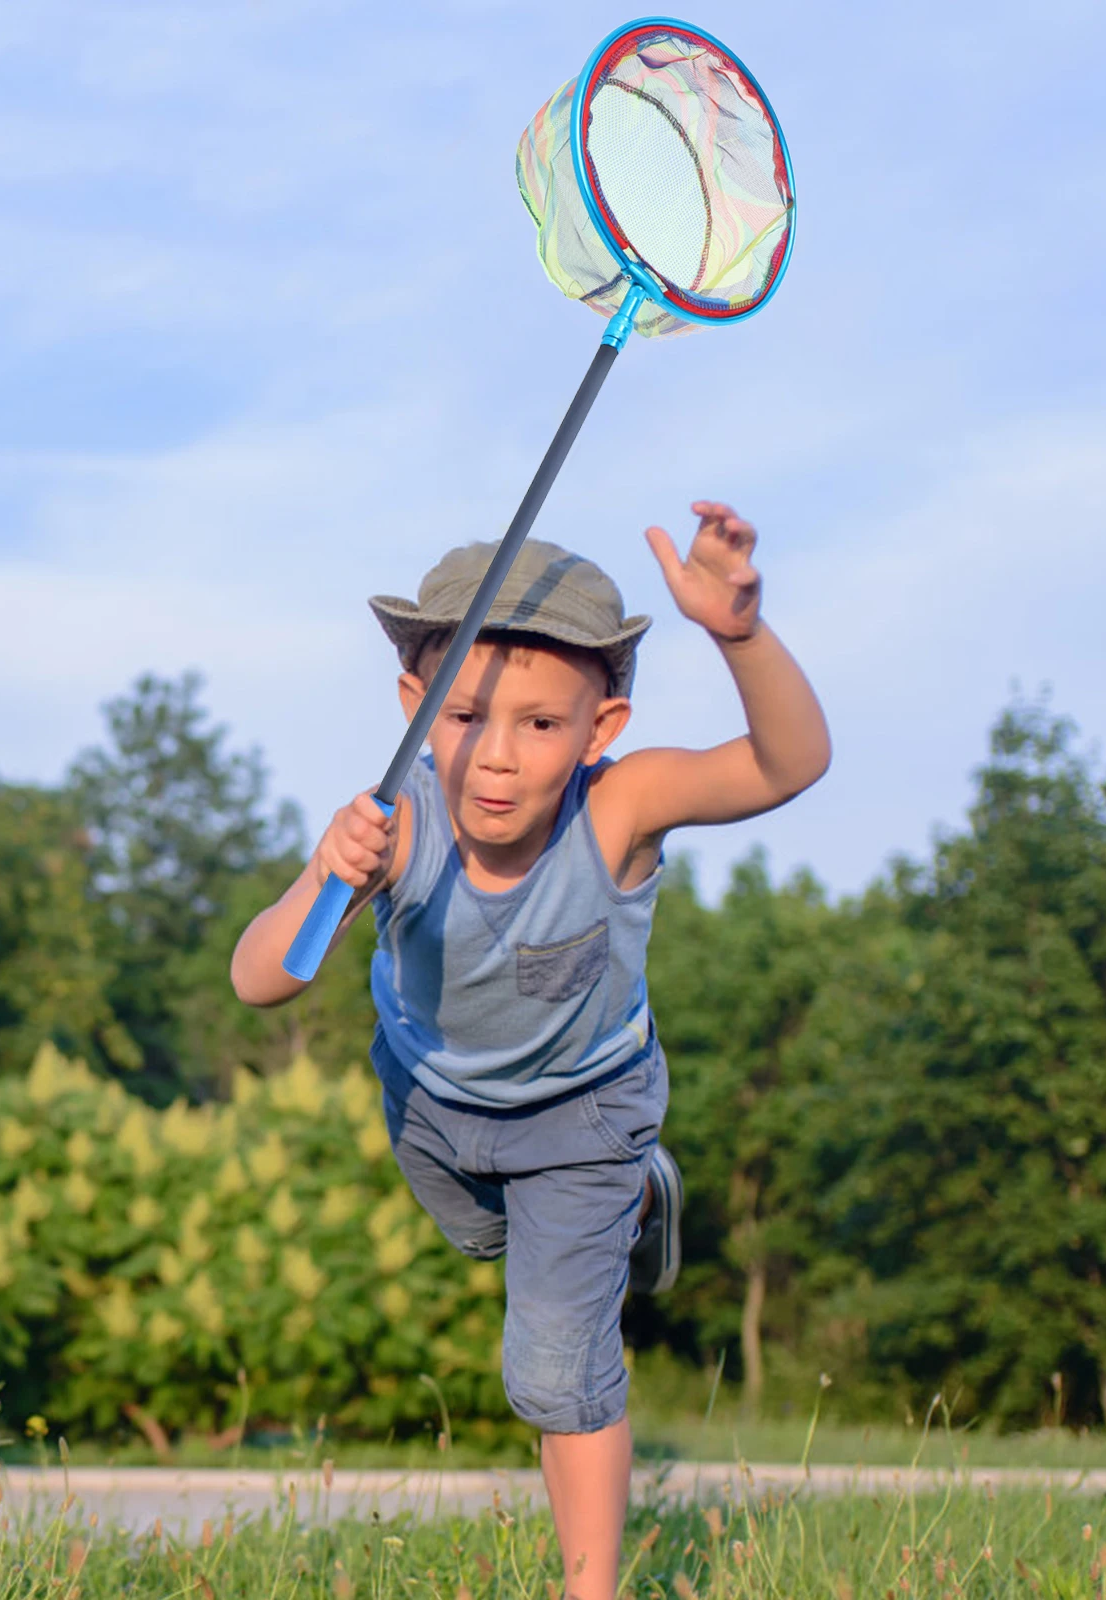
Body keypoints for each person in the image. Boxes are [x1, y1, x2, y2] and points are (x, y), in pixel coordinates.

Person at [231, 501, 830, 1599]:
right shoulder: (392, 825)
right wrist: (328, 874)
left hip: (584, 1114)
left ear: (598, 729)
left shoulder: (621, 806)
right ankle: (631, 1213)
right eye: (465, 716)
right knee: (488, 1248)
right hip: (432, 1109)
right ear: (416, 709)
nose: (497, 758)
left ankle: (587, 1587)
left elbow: (788, 766)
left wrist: (739, 634)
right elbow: (261, 977)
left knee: (552, 1364)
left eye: (541, 726)